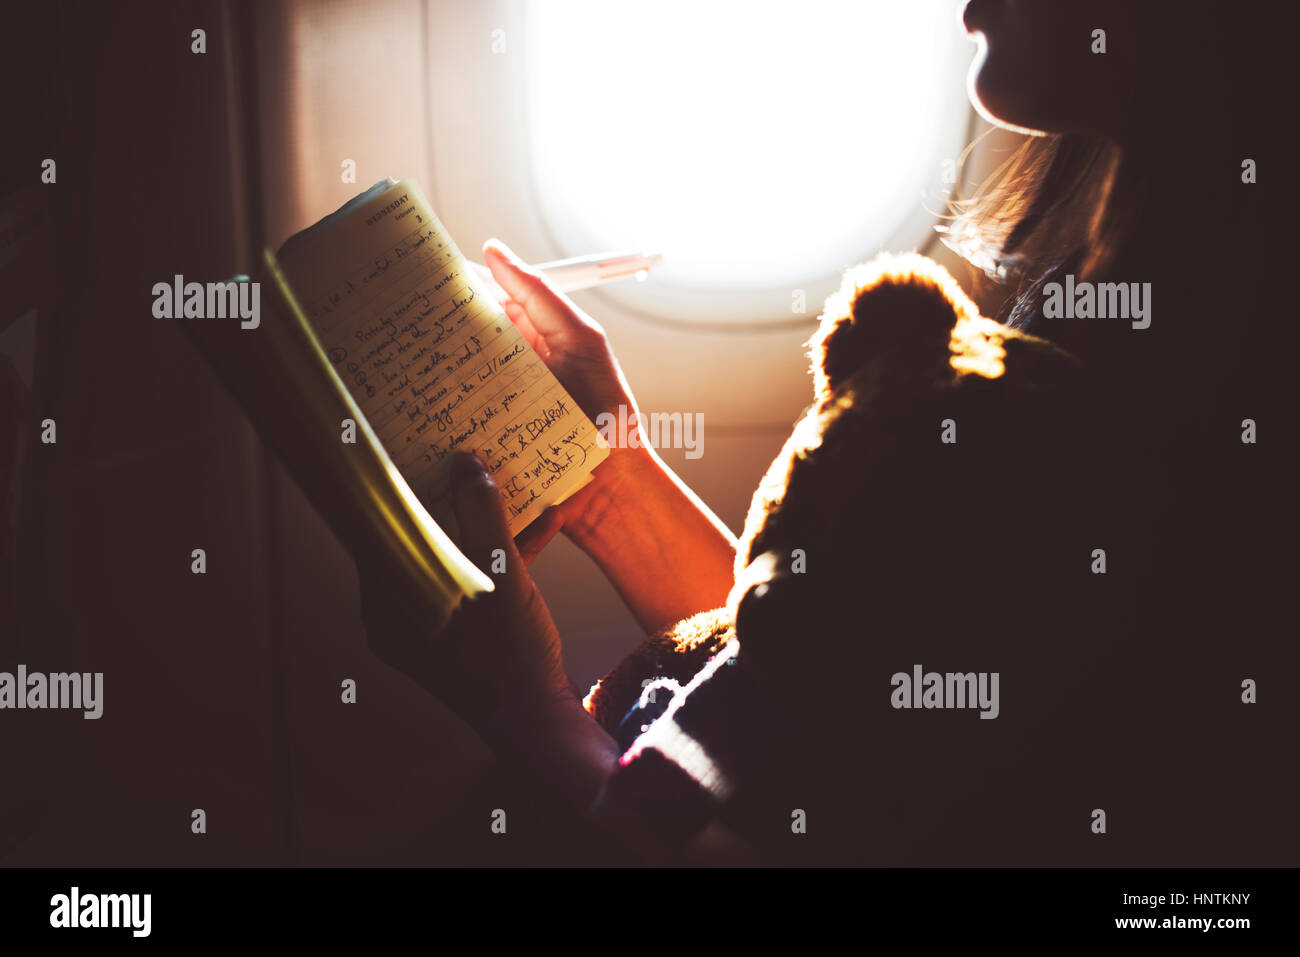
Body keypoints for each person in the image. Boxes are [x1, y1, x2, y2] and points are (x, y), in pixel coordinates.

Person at [360, 0, 1290, 864]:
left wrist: (526, 711)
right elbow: (832, 666)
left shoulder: (1235, 374)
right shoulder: (1094, 288)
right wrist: (606, 477)